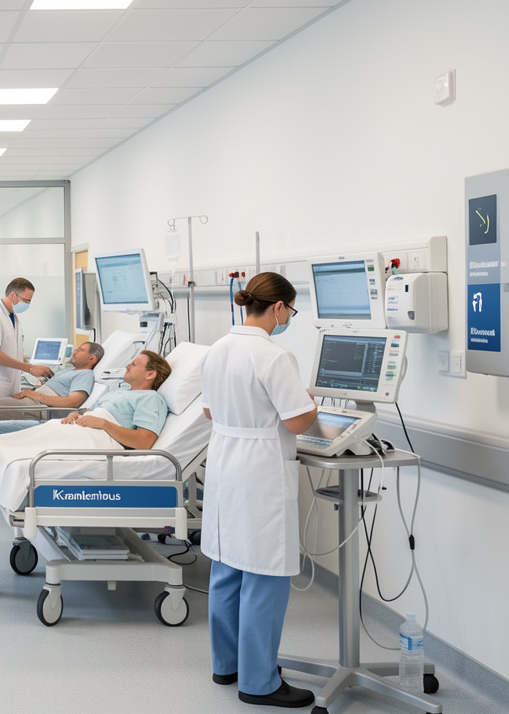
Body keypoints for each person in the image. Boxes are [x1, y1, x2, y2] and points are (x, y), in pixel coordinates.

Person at [199, 272, 318, 709]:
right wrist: (313, 403)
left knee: (229, 567)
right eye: (291, 311)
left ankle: (226, 664)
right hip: (260, 472)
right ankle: (259, 682)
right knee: (265, 575)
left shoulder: (217, 349)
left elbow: (210, 409)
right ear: (281, 308)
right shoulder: (273, 355)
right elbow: (297, 422)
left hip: (226, 465)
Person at [0, 350, 170, 438]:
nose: (127, 366)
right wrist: (77, 414)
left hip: (88, 433)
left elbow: (145, 441)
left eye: (134, 364)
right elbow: (85, 410)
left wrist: (104, 424)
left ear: (150, 374)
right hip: (75, 424)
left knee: (0, 436)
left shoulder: (151, 398)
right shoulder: (121, 391)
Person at [0, 341, 103, 421]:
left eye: (80, 350)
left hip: (37, 406)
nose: (75, 352)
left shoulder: (85, 374)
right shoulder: (70, 370)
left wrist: (36, 395)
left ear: (92, 359)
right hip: (32, 400)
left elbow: (72, 402)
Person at [0, 277, 54, 399]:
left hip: (10, 383)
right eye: (26, 301)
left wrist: (30, 366)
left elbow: (12, 351)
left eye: (29, 302)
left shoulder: (13, 317)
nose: (27, 305)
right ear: (13, 295)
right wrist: (30, 368)